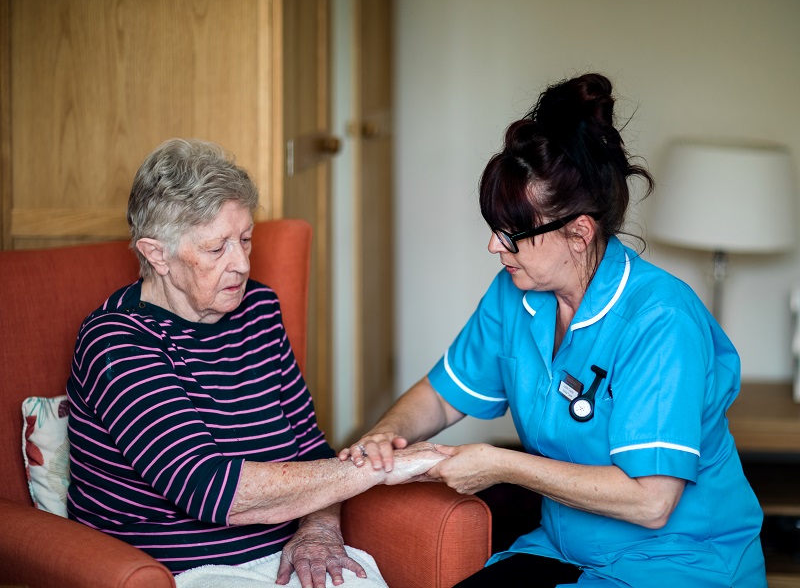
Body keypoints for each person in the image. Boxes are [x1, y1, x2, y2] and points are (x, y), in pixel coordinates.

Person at [339, 73, 766, 587]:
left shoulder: (660, 319)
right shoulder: (515, 294)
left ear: (579, 233)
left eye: (511, 234)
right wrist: (387, 434)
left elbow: (651, 500)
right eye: (492, 229)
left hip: (679, 560)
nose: (495, 248)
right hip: (565, 547)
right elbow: (443, 394)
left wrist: (502, 465)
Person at [66, 138, 444, 588]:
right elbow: (206, 487)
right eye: (216, 248)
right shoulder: (118, 341)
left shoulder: (258, 308)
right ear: (156, 254)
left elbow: (310, 446)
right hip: (176, 572)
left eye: (245, 239)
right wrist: (381, 467)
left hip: (283, 554)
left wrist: (318, 529)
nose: (242, 263)